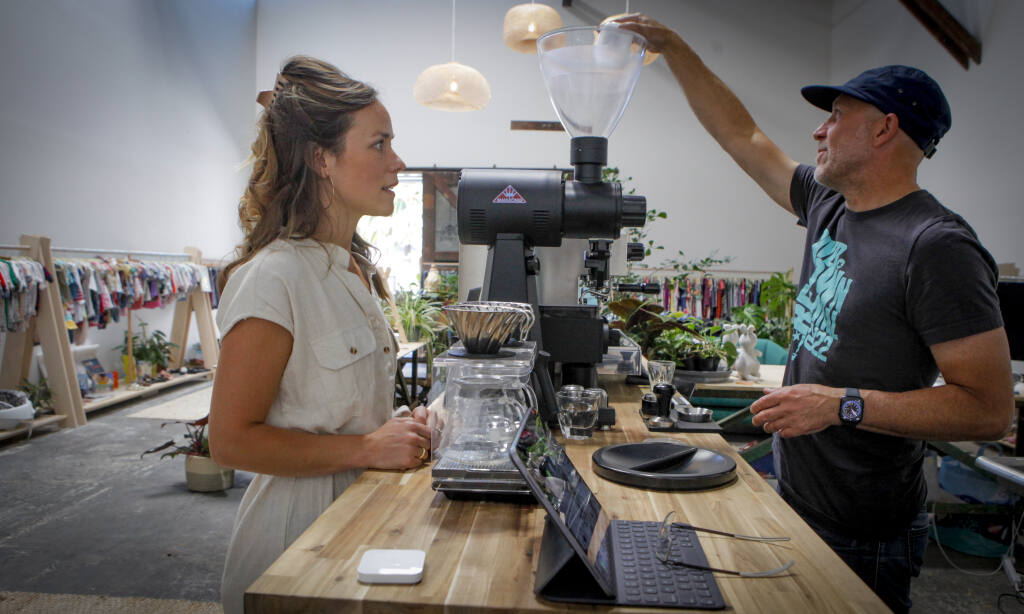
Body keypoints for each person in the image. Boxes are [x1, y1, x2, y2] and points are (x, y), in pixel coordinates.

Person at [615, 14, 1013, 613]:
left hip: (864, 528)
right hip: (798, 494)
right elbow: (742, 137)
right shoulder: (831, 203)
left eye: (836, 117)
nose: (818, 131)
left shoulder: (935, 246)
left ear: (885, 129)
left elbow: (989, 409)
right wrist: (672, 47)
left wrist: (842, 403)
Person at [207, 56, 432, 614]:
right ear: (322, 160)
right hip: (294, 541)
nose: (397, 161)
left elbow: (334, 407)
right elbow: (229, 441)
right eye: (379, 144)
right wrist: (364, 447)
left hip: (358, 518)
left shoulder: (353, 267)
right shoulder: (275, 277)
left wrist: (392, 430)